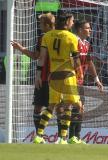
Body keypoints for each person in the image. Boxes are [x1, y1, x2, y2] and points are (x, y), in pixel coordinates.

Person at [33, 11, 82, 144]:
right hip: (67, 75)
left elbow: (42, 58)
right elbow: (76, 60)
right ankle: (63, 138)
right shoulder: (72, 37)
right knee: (69, 106)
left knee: (51, 106)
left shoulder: (47, 36)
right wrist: (80, 72)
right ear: (67, 22)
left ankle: (39, 135)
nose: (73, 22)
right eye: (72, 20)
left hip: (53, 77)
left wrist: (38, 73)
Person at [57, 20, 103, 144]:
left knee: (80, 108)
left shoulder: (87, 44)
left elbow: (89, 61)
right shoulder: (73, 41)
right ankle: (63, 137)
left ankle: (74, 136)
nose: (90, 30)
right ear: (80, 30)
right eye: (88, 28)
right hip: (70, 79)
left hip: (80, 81)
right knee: (67, 106)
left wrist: (96, 79)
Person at [10, 13, 55, 133]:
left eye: (40, 23)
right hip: (59, 77)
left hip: (45, 77)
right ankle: (62, 137)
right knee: (60, 108)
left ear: (46, 25)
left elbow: (37, 56)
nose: (39, 25)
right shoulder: (62, 36)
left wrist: (21, 49)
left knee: (38, 108)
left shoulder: (43, 37)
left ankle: (40, 135)